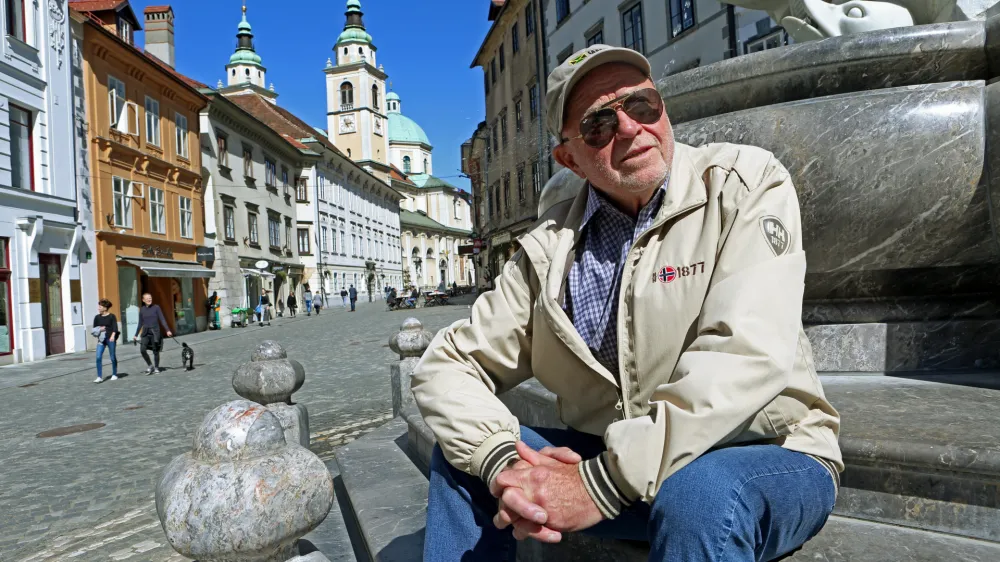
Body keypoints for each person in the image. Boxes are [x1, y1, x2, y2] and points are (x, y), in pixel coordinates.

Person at [411, 45, 842, 562]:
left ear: (663, 109)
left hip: (763, 455)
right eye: (598, 124)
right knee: (463, 454)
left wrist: (599, 484)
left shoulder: (742, 184)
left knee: (700, 495)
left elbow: (745, 355)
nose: (630, 129)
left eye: (642, 106)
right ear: (568, 157)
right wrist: (504, 461)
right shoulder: (548, 250)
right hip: (615, 463)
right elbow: (449, 365)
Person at [133, 293, 172, 374]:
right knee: (142, 350)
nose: (149, 299)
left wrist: (167, 330)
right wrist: (135, 335)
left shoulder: (156, 308)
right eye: (147, 298)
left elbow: (162, 319)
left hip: (155, 332)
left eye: (150, 298)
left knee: (155, 351)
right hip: (145, 333)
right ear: (143, 300)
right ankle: (150, 365)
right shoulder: (142, 309)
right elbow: (140, 323)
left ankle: (156, 367)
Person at [92, 298, 119, 383]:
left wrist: (112, 336)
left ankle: (114, 374)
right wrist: (100, 329)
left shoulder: (112, 316)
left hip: (110, 338)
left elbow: (115, 327)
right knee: (98, 357)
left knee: (112, 357)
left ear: (105, 308)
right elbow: (94, 329)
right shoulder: (97, 317)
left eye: (100, 306)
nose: (98, 308)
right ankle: (99, 377)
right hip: (101, 339)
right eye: (99, 306)